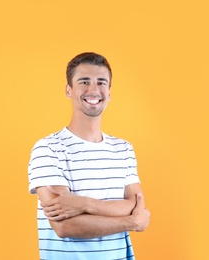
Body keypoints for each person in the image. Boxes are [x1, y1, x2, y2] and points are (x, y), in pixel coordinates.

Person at [28, 52, 150, 259]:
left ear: (109, 92)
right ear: (69, 90)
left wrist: (83, 204)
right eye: (84, 81)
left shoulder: (124, 149)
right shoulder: (47, 149)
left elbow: (135, 205)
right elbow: (65, 226)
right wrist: (130, 222)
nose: (94, 89)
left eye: (101, 82)